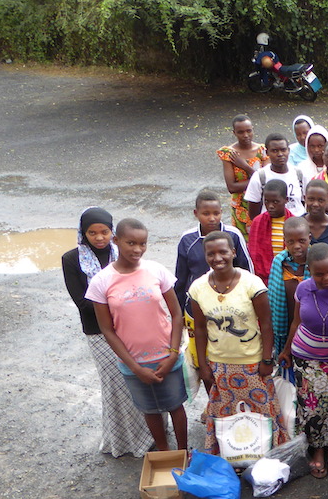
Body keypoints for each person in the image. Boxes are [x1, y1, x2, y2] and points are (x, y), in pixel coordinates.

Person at [87, 218, 187, 453]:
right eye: (130, 243)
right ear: (116, 241)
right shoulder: (101, 281)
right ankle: (163, 453)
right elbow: (107, 330)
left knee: (175, 406)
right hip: (134, 363)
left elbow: (176, 314)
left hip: (166, 357)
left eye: (143, 244)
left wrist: (173, 354)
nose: (137, 249)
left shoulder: (156, 270)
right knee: (149, 410)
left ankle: (183, 451)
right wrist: (135, 368)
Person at [62, 207, 154, 457]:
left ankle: (151, 434)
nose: (99, 237)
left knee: (139, 379)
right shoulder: (71, 260)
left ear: (113, 233)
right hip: (98, 333)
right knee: (116, 385)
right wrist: (119, 302)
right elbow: (83, 303)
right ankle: (124, 442)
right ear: (83, 233)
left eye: (104, 232)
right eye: (92, 233)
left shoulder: (122, 251)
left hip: (130, 327)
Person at [190, 230, 286, 453]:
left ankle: (265, 455)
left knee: (261, 413)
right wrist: (203, 364)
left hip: (252, 362)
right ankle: (233, 455)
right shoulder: (198, 288)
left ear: (233, 252)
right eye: (211, 254)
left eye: (223, 252)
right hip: (219, 365)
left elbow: (266, 324)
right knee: (228, 417)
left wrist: (267, 360)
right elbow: (200, 328)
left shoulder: (251, 284)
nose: (217, 258)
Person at [281, 242, 328, 477]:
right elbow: (296, 322)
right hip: (305, 358)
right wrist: (286, 350)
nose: (326, 278)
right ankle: (318, 449)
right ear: (310, 272)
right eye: (319, 274)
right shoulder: (303, 289)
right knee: (311, 407)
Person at [174, 190, 251, 370]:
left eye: (216, 213)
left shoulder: (233, 235)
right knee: (200, 357)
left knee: (228, 351)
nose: (212, 218)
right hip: (196, 309)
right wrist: (179, 313)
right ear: (196, 213)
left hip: (230, 307)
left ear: (221, 212)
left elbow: (247, 271)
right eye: (206, 214)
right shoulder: (187, 240)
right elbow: (181, 279)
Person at [217, 114, 268, 239]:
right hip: (240, 208)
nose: (245, 135)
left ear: (253, 130)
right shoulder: (229, 153)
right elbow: (231, 187)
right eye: (240, 132)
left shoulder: (262, 150)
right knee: (242, 242)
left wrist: (245, 166)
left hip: (262, 204)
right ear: (234, 133)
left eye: (248, 131)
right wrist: (257, 179)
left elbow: (267, 181)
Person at [269, 216, 310, 363]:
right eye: (291, 242)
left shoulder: (317, 263)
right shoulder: (279, 263)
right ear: (285, 241)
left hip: (309, 330)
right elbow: (272, 300)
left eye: (301, 241)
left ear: (309, 238)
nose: (296, 246)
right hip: (284, 326)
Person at [243, 132, 305, 221]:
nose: (280, 154)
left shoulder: (299, 174)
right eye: (275, 151)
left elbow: (304, 202)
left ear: (288, 150)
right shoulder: (260, 177)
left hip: (297, 224)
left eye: (283, 150)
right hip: (270, 225)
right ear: (267, 152)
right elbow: (254, 213)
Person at [247, 178, 291, 280]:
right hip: (262, 278)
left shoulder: (294, 223)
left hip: (288, 276)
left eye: (275, 202)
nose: (270, 206)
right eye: (266, 201)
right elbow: (254, 253)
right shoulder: (257, 222)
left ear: (286, 199)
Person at [301, 178, 328, 257]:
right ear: (305, 199)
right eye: (311, 199)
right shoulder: (297, 226)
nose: (315, 204)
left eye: (320, 200)